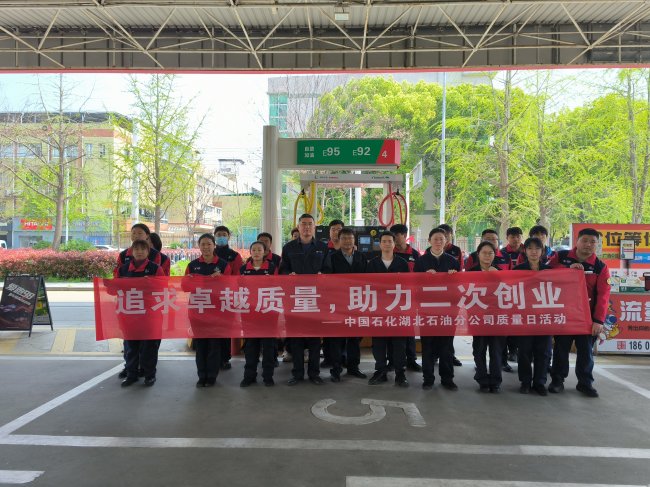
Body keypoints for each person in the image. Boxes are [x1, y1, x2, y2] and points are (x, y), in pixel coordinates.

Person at [547, 228, 610, 398]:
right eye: (585, 240)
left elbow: (603, 296)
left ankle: (585, 383)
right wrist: (566, 269)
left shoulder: (600, 266)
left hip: (586, 318)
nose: (588, 244)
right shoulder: (561, 257)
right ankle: (557, 380)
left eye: (593, 242)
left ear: (597, 245)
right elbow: (545, 274)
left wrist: (598, 321)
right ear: (577, 241)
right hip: (564, 315)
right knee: (561, 349)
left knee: (585, 352)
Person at [279, 213, 331, 386]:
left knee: (315, 339)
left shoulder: (322, 247)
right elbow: (283, 270)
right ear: (298, 226)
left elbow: (328, 269)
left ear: (314, 227)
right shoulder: (289, 247)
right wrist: (289, 274)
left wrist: (323, 275)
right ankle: (297, 374)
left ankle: (314, 373)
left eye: (310, 224)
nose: (307, 227)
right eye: (303, 224)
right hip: (295, 299)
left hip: (315, 299)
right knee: (296, 338)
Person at [115, 223, 169, 380]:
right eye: (133, 233)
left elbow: (163, 283)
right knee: (130, 343)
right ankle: (130, 369)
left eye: (140, 233)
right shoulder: (123, 257)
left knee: (149, 343)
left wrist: (150, 283)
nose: (136, 236)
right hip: (130, 307)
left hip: (150, 308)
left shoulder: (158, 258)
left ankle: (147, 371)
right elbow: (117, 281)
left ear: (147, 236)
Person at [413, 227, 460, 391]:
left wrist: (454, 276)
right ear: (429, 241)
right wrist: (424, 277)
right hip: (427, 310)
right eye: (435, 239)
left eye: (442, 239)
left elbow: (460, 286)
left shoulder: (452, 261)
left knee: (446, 346)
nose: (439, 242)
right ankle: (428, 379)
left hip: (448, 310)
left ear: (446, 241)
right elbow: (414, 285)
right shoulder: (421, 261)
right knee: (428, 346)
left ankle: (447, 379)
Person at [184, 233, 231, 387]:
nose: (206, 247)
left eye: (209, 244)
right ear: (199, 246)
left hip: (217, 311)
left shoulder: (223, 265)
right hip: (198, 311)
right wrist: (190, 281)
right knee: (201, 345)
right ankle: (201, 376)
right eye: (203, 244)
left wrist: (222, 278)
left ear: (214, 245)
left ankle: (211, 376)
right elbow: (184, 287)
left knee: (214, 345)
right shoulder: (192, 265)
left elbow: (230, 286)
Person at [366, 231, 410, 388]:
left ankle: (400, 373)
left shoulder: (402, 263)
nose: (386, 244)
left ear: (394, 244)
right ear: (380, 244)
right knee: (379, 343)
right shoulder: (372, 264)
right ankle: (380, 372)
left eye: (389, 241)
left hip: (398, 310)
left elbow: (408, 286)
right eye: (383, 241)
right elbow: (367, 286)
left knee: (399, 344)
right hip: (378, 310)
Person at [324, 227, 368, 382]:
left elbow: (368, 279)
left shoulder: (362, 257)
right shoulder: (332, 257)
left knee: (354, 338)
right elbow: (327, 279)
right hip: (338, 303)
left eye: (350, 238)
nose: (347, 241)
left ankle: (353, 367)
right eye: (344, 238)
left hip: (357, 303)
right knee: (337, 338)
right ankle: (336, 369)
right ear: (339, 240)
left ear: (354, 240)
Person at [513, 237, 552, 396]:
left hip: (544, 317)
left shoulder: (550, 271)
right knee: (524, 351)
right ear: (525, 251)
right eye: (530, 248)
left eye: (537, 248)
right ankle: (525, 381)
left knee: (543, 352)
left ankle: (540, 382)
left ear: (542, 251)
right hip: (524, 318)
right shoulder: (517, 270)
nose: (534, 252)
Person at [467, 241, 505, 393]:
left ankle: (495, 381)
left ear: (495, 255)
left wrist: (497, 276)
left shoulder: (501, 272)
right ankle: (482, 379)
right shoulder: (471, 272)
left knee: (496, 350)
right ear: (478, 254)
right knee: (479, 349)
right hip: (478, 317)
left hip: (496, 317)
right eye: (484, 253)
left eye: (490, 253)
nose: (487, 256)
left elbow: (508, 293)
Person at [240, 241, 279, 387]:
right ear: (250, 252)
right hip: (249, 314)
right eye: (254, 250)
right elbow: (238, 288)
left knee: (268, 347)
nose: (256, 252)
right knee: (251, 346)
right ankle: (249, 376)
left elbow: (279, 286)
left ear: (265, 252)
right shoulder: (243, 269)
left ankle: (268, 376)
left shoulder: (272, 267)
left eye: (259, 250)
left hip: (268, 313)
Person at [390, 223, 422, 373]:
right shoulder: (389, 252)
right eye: (393, 236)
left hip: (410, 297)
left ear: (404, 235)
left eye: (397, 235)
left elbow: (420, 275)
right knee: (393, 330)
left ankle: (411, 360)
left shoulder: (414, 254)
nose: (395, 239)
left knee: (409, 329)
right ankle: (393, 360)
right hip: (392, 298)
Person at [213, 225, 243, 371]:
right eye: (218, 234)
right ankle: (212, 357)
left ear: (229, 237)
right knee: (212, 329)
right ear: (214, 237)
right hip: (209, 298)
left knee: (225, 329)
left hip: (227, 297)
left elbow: (237, 277)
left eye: (224, 234)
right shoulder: (209, 254)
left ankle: (224, 358)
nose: (221, 237)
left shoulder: (235, 256)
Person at [438, 223, 465, 367]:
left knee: (449, 327)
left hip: (451, 296)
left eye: (446, 236)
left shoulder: (456, 251)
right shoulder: (429, 252)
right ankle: (435, 355)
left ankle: (450, 355)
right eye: (440, 236)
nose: (443, 239)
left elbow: (460, 272)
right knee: (434, 326)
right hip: (434, 297)